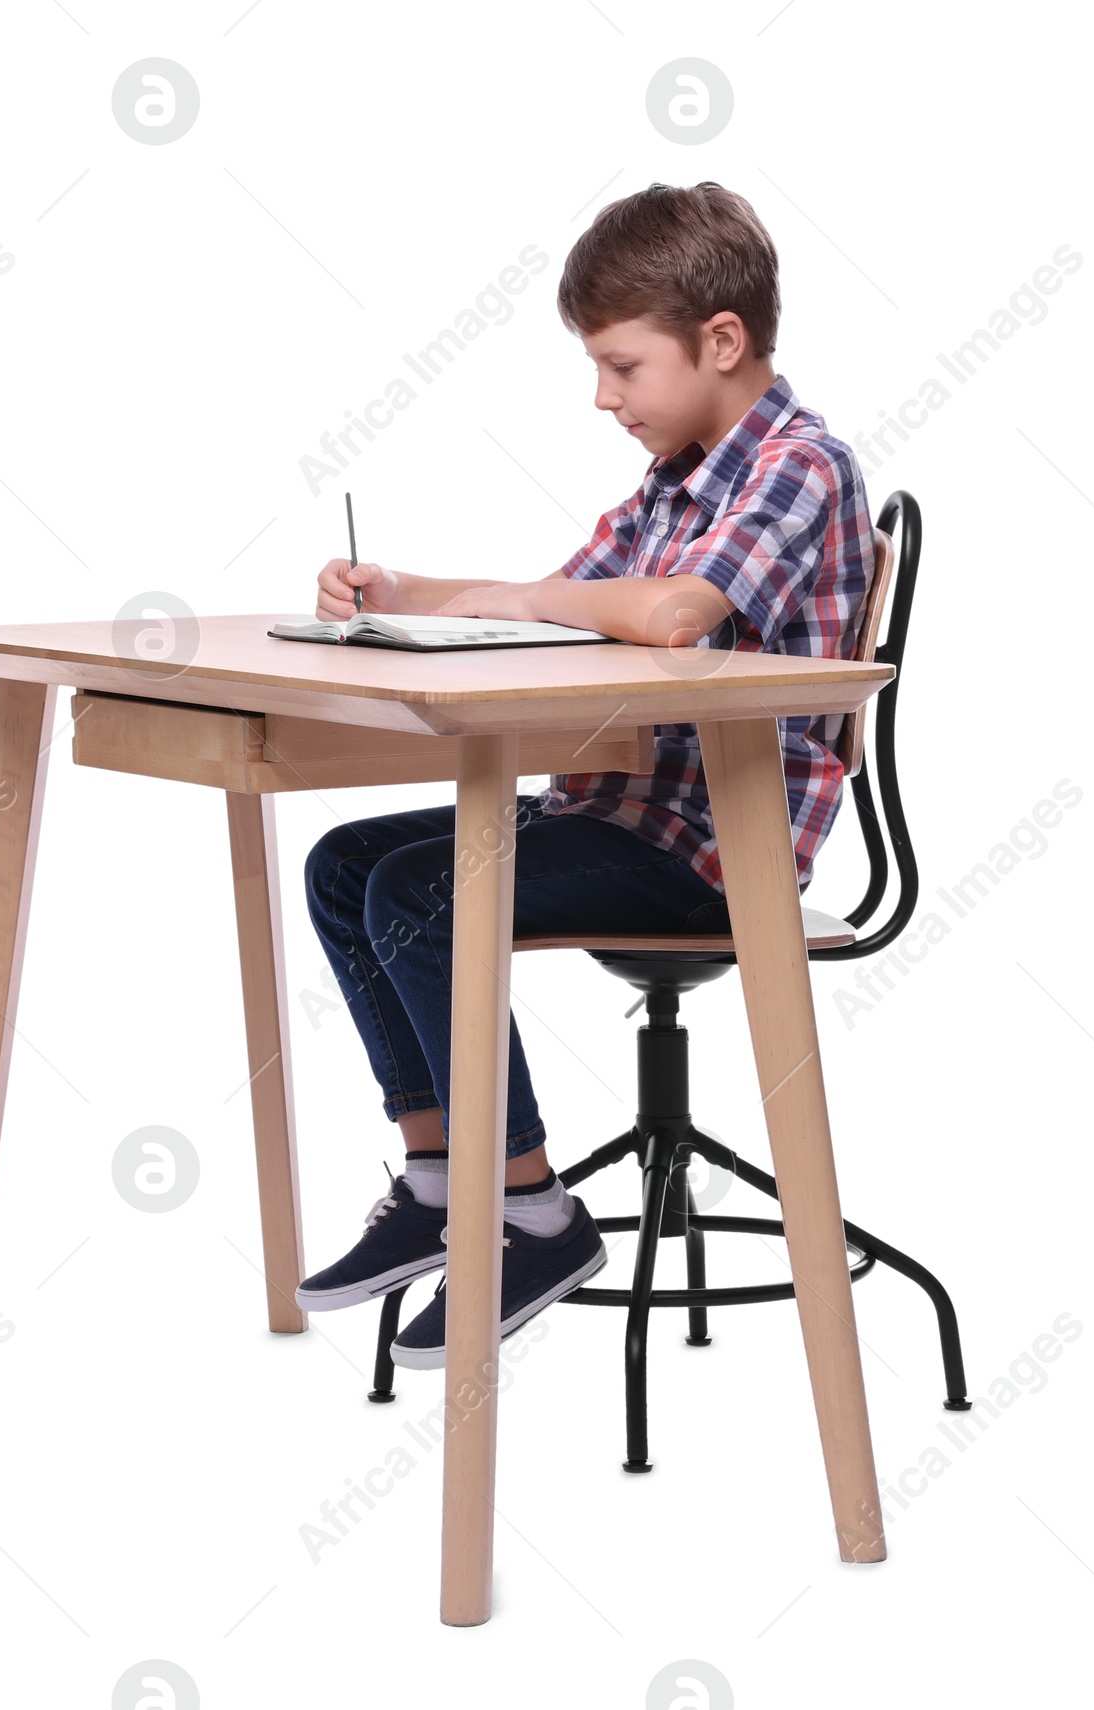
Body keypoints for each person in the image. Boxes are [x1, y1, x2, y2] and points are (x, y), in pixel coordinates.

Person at [295, 180, 876, 1371]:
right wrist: (406, 597)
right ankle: (439, 1174)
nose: (602, 397)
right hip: (613, 814)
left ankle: (532, 1215)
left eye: (622, 367)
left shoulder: (798, 466)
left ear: (720, 343)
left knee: (420, 890)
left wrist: (531, 601)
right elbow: (557, 605)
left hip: (713, 852)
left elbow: (666, 613)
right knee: (344, 863)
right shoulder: (678, 481)